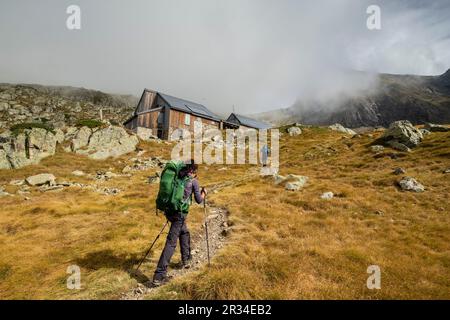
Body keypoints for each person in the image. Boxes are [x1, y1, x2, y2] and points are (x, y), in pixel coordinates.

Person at [152, 160, 207, 286]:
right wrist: (204, 193)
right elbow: (199, 200)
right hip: (179, 214)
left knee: (184, 232)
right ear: (193, 170)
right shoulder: (193, 181)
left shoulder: (177, 177)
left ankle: (186, 259)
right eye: (195, 171)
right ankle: (159, 276)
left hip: (169, 211)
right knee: (171, 242)